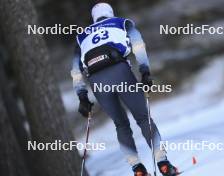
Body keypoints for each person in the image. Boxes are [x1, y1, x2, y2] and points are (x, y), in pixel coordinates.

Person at [71, 2, 179, 176]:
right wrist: (145, 72)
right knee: (143, 119)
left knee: (120, 124)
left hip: (97, 80)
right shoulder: (121, 22)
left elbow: (75, 70)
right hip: (119, 71)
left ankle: (137, 169)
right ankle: (164, 164)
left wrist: (82, 96)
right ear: (110, 13)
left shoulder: (81, 37)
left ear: (94, 18)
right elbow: (138, 45)